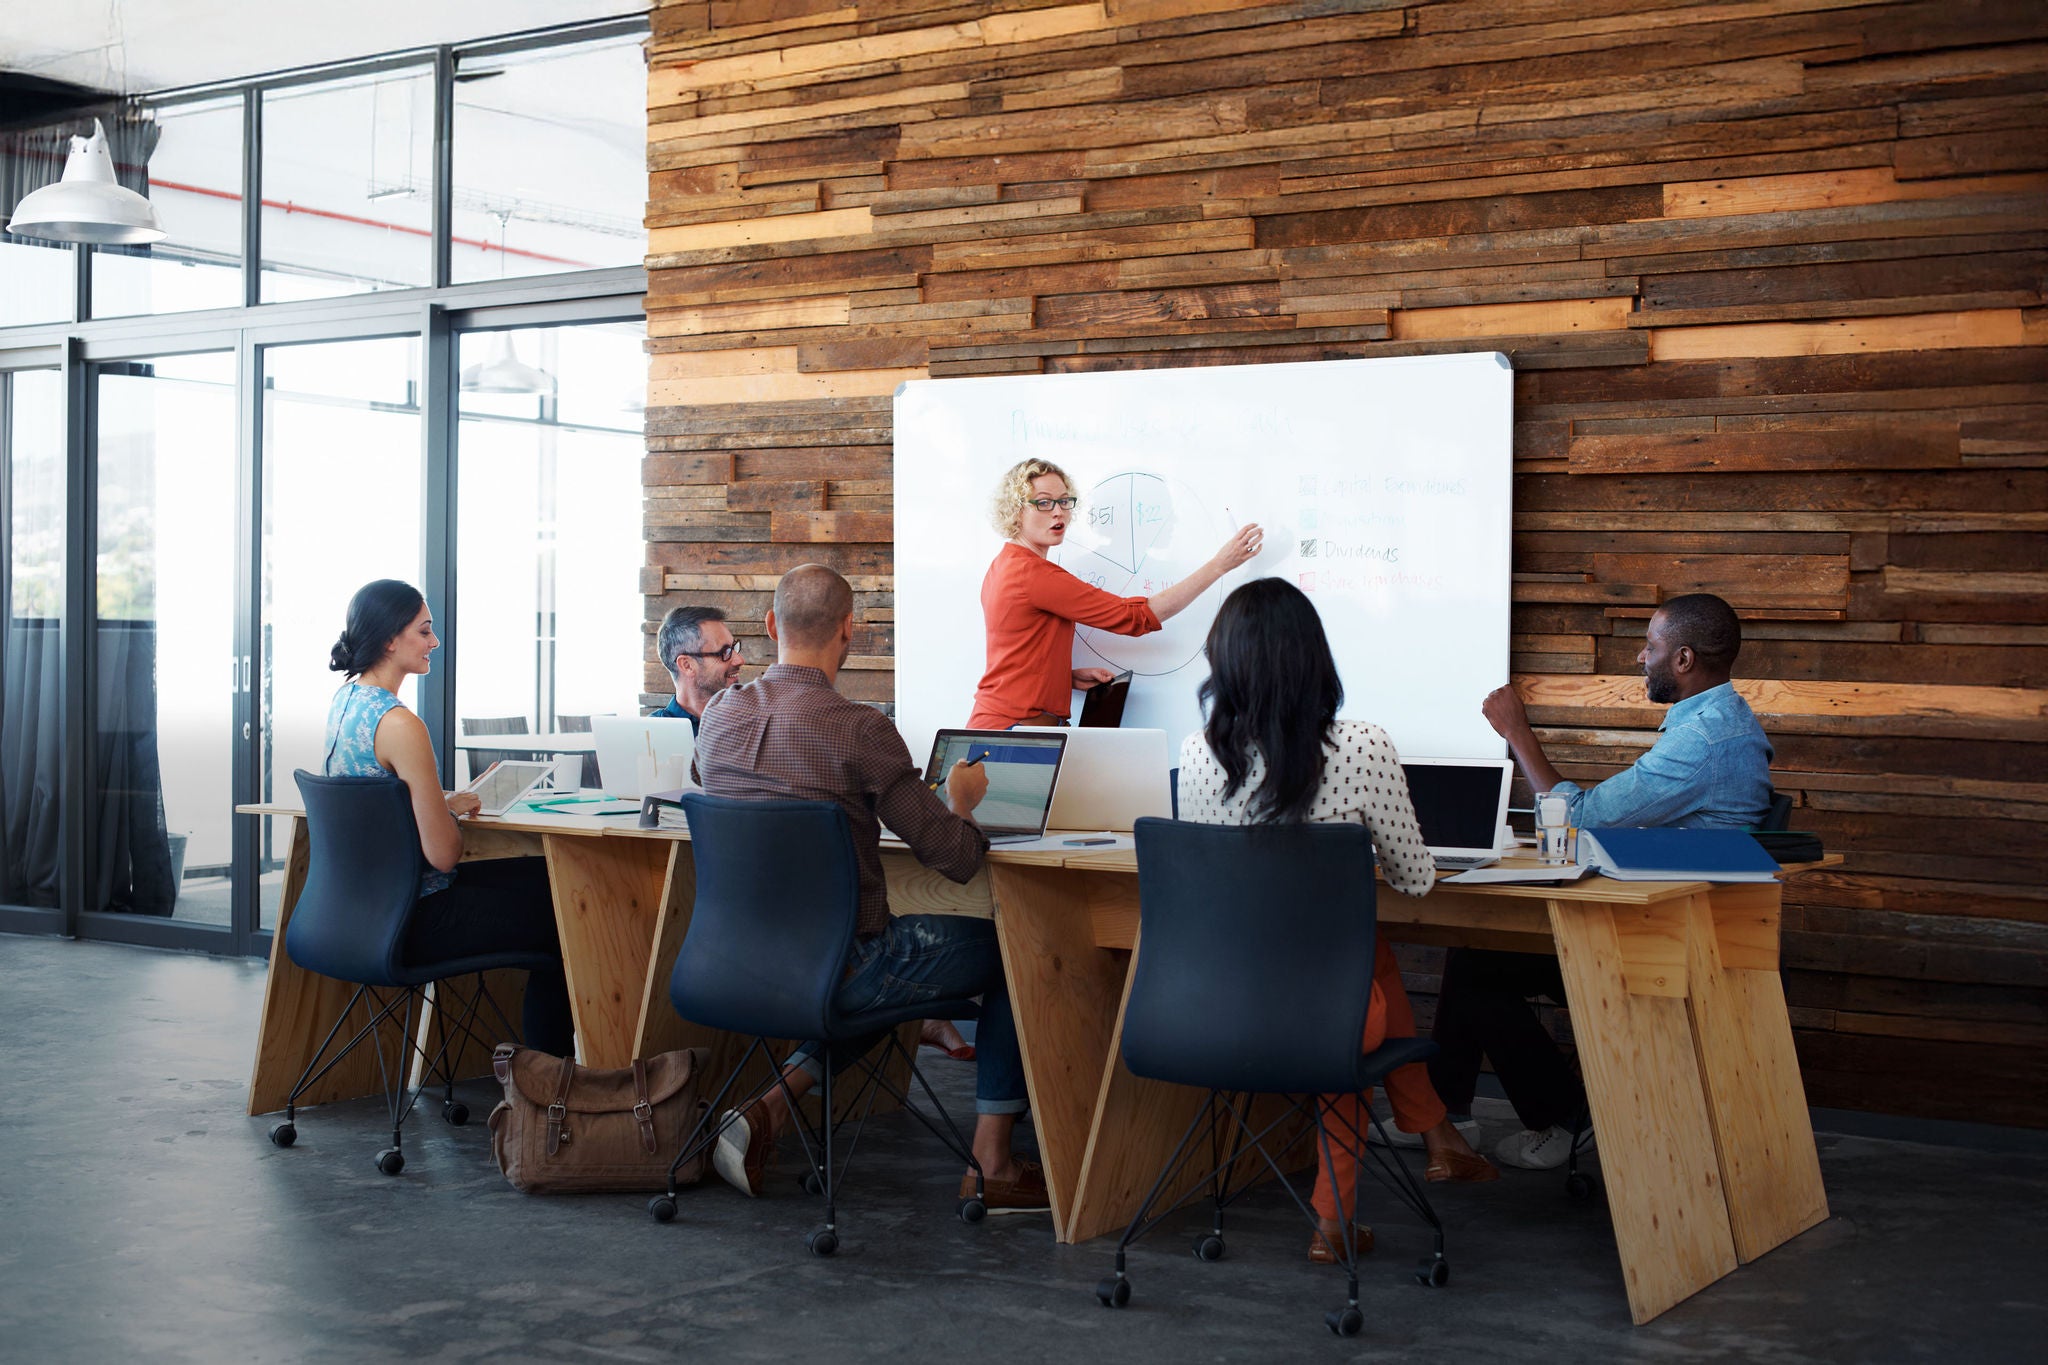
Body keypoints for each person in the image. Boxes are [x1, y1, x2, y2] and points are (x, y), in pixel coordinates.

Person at [692, 564, 1047, 1212]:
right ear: (850, 631)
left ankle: (768, 1110)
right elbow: (955, 856)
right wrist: (963, 802)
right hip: (839, 967)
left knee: (870, 973)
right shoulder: (860, 729)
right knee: (1012, 946)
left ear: (771, 626)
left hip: (733, 963)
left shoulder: (718, 714)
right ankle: (992, 1161)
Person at [1177, 577, 1497, 1266]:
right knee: (1342, 995)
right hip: (1323, 1012)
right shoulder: (1362, 745)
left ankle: (1438, 1134)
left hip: (1212, 1002)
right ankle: (1334, 1220)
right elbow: (1415, 880)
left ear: (1222, 662)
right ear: (1312, 658)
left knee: (1358, 959)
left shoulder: (1197, 753)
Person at [1432, 592, 1773, 1170]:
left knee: (1480, 971)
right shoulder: (1719, 723)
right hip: (1673, 924)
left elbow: (1585, 815)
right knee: (1474, 956)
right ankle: (1450, 1119)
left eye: (1652, 646)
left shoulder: (1704, 740)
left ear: (1684, 659)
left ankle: (1558, 1120)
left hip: (1668, 944)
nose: (1642, 658)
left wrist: (1518, 732)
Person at [324, 579, 572, 1055]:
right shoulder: (400, 723)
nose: (434, 642)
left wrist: (438, 801)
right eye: (425, 630)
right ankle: (553, 1091)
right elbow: (443, 856)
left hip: (355, 911)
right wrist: (446, 816)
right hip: (415, 919)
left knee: (536, 875)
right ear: (390, 639)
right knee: (567, 913)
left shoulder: (346, 704)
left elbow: (379, 794)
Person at [967, 457, 1264, 729]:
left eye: (1064, 501)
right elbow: (1137, 617)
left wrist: (1063, 678)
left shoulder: (1005, 565)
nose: (1058, 512)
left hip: (1001, 727)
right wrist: (1218, 565)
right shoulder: (1032, 574)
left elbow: (1016, 650)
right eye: (1043, 503)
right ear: (1015, 510)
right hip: (1012, 733)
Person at [651, 604, 743, 731]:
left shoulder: (749, 722)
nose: (740, 660)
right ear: (687, 665)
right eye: (724, 652)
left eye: (733, 648)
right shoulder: (651, 734)